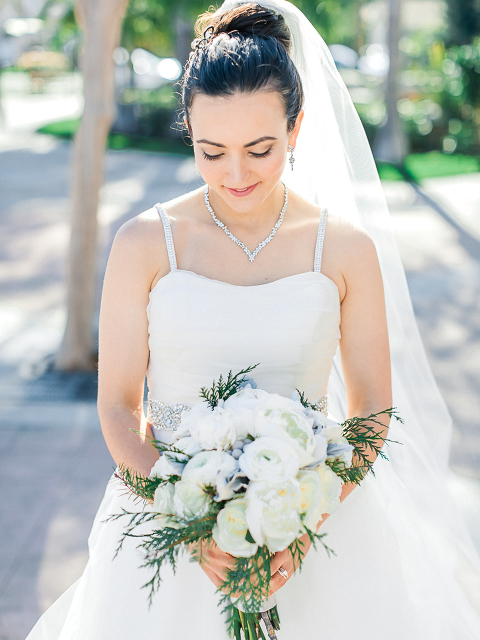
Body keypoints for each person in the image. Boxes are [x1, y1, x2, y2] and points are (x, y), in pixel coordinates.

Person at [26, 1, 480, 639]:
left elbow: (373, 408)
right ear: (189, 128)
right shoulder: (143, 244)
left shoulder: (346, 250)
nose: (235, 175)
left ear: (296, 128)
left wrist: (305, 519)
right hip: (167, 533)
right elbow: (119, 409)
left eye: (260, 149)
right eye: (211, 152)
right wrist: (185, 515)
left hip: (321, 534)